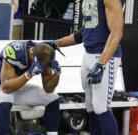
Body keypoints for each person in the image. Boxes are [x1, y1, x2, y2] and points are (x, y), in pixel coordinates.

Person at [48, 0, 125, 134]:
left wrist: (101, 63)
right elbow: (83, 34)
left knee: (101, 107)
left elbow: (116, 32)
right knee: (90, 106)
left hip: (104, 56)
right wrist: (56, 43)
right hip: (88, 54)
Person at [0, 41, 61, 135]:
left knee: (52, 97)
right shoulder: (14, 52)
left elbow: (48, 89)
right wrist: (29, 74)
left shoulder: (43, 55)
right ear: (32, 54)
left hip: (15, 88)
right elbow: (6, 88)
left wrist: (57, 73)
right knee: (6, 98)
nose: (43, 67)